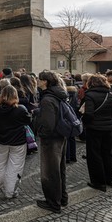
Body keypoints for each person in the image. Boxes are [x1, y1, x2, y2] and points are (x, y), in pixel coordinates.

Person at [32, 71, 68, 213]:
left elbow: (48, 124)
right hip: (61, 135)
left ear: (45, 82)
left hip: (51, 139)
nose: (37, 81)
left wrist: (41, 134)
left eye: (39, 79)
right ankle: (62, 198)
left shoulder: (48, 99)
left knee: (50, 172)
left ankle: (53, 203)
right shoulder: (58, 94)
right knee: (60, 169)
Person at [0, 86, 32, 199]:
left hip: (2, 140)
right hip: (17, 141)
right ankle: (10, 191)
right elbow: (28, 120)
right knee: (15, 166)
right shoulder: (20, 109)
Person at [81, 74, 112, 191]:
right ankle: (109, 180)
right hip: (108, 128)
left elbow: (89, 114)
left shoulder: (89, 95)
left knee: (94, 155)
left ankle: (98, 182)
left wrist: (84, 121)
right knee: (107, 154)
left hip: (94, 129)